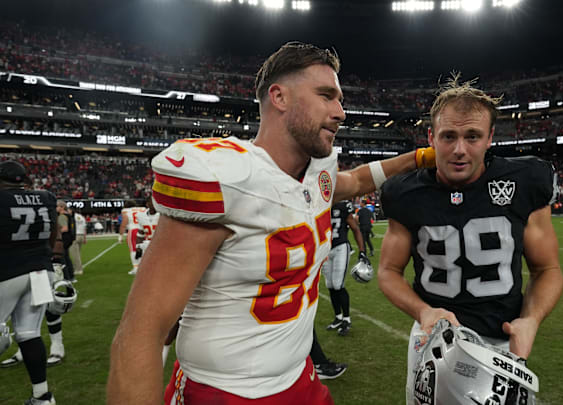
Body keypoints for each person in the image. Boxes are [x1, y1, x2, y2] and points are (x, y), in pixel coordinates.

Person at [107, 41, 436, 405]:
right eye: (326, 95)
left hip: (300, 376)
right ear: (278, 97)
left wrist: (420, 157)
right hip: (225, 391)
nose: (340, 111)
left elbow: (357, 180)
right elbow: (140, 332)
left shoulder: (318, 172)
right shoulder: (227, 178)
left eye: (339, 98)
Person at [376, 76, 563, 405]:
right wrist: (424, 311)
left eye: (472, 136)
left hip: (503, 341)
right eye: (449, 136)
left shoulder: (524, 181)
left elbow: (547, 268)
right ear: (431, 137)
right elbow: (388, 271)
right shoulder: (404, 192)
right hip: (432, 337)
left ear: (490, 137)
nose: (460, 149)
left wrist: (530, 321)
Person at [0, 160, 58, 404]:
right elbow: (53, 231)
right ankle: (42, 396)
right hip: (41, 270)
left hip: (7, 271)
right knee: (28, 332)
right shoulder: (46, 196)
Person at [322, 199, 368, 337]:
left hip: (340, 247)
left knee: (338, 284)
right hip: (325, 249)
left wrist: (362, 251)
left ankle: (346, 319)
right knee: (329, 285)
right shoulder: (320, 202)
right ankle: (338, 317)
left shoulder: (342, 205)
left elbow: (355, 228)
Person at [117, 202, 147, 275]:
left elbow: (124, 223)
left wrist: (120, 236)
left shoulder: (126, 211)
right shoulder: (142, 209)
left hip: (133, 230)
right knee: (143, 248)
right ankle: (143, 267)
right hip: (143, 230)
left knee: (133, 249)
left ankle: (136, 268)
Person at [69, 209, 86, 275]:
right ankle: (78, 267)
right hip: (81, 235)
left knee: (75, 254)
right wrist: (85, 238)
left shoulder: (72, 217)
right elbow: (84, 228)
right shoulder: (81, 217)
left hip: (75, 235)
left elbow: (72, 227)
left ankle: (78, 269)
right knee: (78, 253)